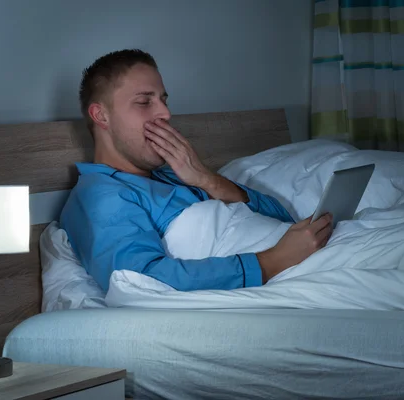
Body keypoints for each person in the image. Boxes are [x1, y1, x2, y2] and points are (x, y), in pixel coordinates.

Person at [60, 49, 333, 292]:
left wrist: (205, 178)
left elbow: (284, 217)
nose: (165, 113)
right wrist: (271, 262)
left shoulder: (173, 175)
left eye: (163, 100)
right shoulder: (101, 196)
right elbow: (140, 281)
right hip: (299, 273)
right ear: (101, 116)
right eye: (145, 102)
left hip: (318, 254)